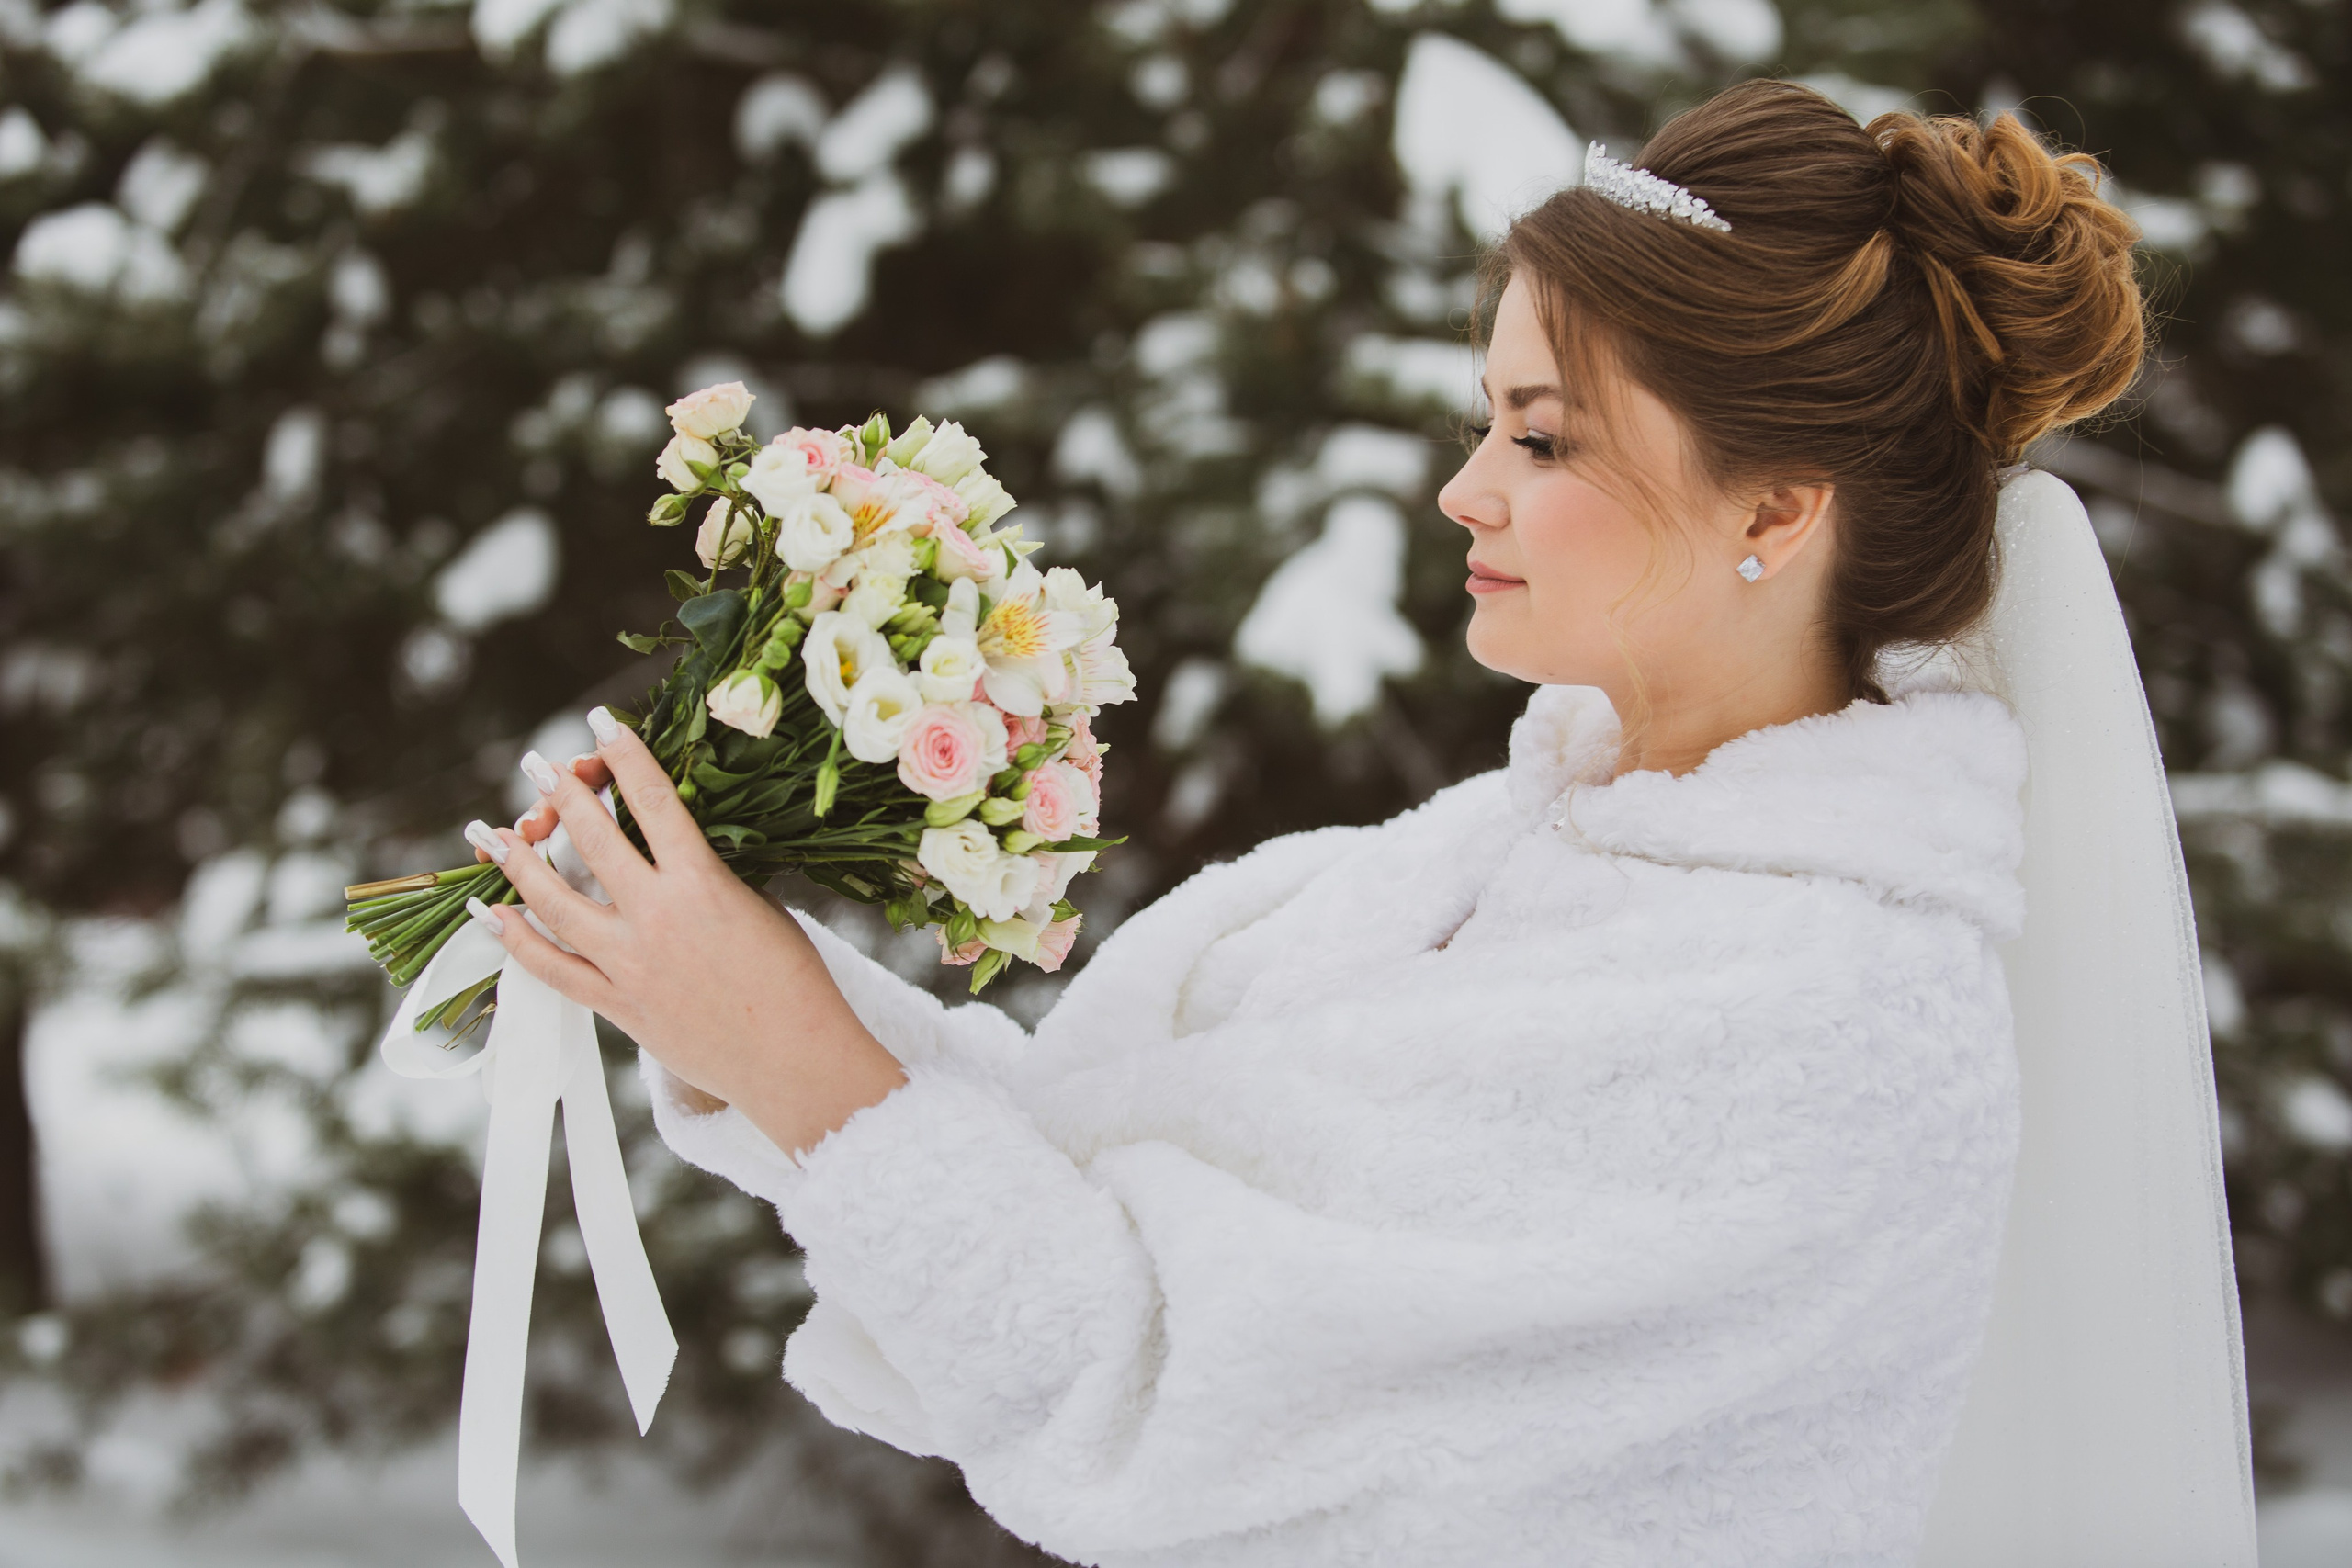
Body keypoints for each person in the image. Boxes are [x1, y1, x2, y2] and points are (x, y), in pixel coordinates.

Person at [460, 80, 2156, 1565]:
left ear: (1777, 510)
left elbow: (1140, 1385)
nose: (1466, 486)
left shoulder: (1815, 1006)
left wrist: (780, 1041)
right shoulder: (1492, 855)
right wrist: (715, 975)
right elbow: (1079, 1170)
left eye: (1542, 436)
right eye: (1488, 415)